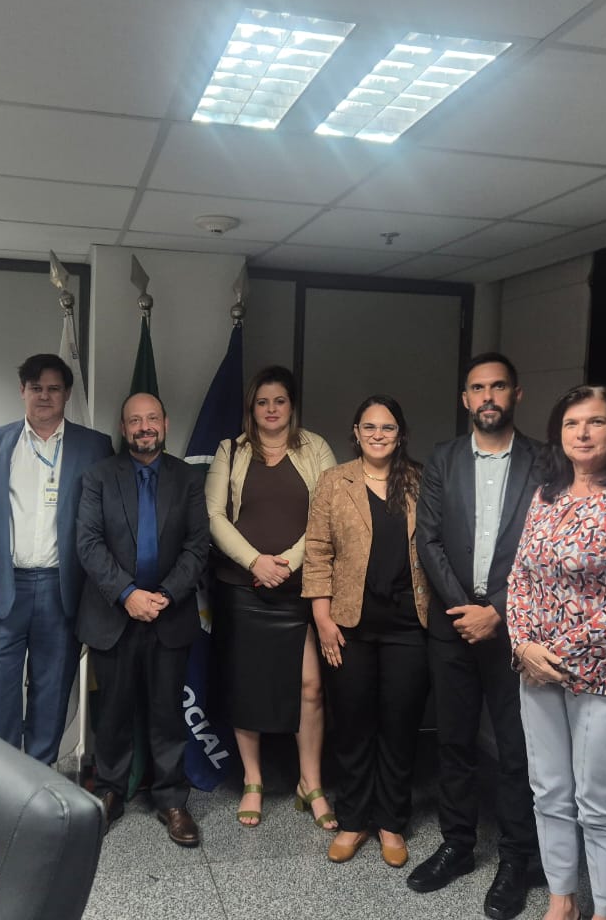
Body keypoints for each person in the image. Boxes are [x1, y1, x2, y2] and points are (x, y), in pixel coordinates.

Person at [506, 384, 606, 920]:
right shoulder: (545, 496)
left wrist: (553, 650)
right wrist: (523, 644)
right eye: (572, 422)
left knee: (598, 806)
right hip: (538, 673)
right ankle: (561, 899)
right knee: (548, 793)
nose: (582, 432)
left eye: (596, 422)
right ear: (559, 432)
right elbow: (520, 579)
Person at [409, 353, 542, 919]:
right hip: (452, 627)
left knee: (516, 752)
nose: (487, 396)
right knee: (455, 743)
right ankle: (458, 845)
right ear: (465, 399)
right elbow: (428, 540)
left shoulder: (547, 461)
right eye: (477, 388)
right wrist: (466, 608)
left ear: (516, 394)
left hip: (515, 633)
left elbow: (544, 552)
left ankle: (518, 859)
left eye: (498, 387)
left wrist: (498, 611)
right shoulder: (443, 460)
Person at [0, 353, 112, 764]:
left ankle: (38, 774)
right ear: (22, 391)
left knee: (52, 686)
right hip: (1, 587)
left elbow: (107, 519)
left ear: (67, 394)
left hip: (63, 588)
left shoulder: (95, 447)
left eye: (54, 388)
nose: (45, 396)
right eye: (36, 388)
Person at [75, 393, 210, 847]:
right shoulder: (97, 477)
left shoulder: (188, 479)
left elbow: (197, 546)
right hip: (114, 615)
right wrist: (129, 595)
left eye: (152, 418)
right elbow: (89, 543)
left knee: (167, 712)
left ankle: (171, 798)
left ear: (166, 423)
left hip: (169, 615)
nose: (144, 427)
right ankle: (111, 792)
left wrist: (165, 596)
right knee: (111, 711)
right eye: (135, 420)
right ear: (124, 427)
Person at [205, 365, 337, 829]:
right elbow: (215, 516)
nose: (271, 410)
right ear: (251, 408)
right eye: (262, 402)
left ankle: (310, 783)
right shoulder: (231, 450)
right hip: (243, 587)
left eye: (279, 401)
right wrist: (255, 562)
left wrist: (286, 562)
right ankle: (254, 781)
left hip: (300, 586)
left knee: (310, 687)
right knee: (248, 687)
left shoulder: (315, 447)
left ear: (292, 405)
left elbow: (329, 511)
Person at [304, 395, 431, 868]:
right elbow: (317, 552)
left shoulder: (419, 481)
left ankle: (391, 823)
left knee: (399, 726)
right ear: (355, 432)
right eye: (370, 427)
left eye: (388, 428)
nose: (379, 435)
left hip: (409, 625)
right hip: (349, 624)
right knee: (354, 724)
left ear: (400, 435)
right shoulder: (334, 481)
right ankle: (354, 819)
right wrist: (322, 617)